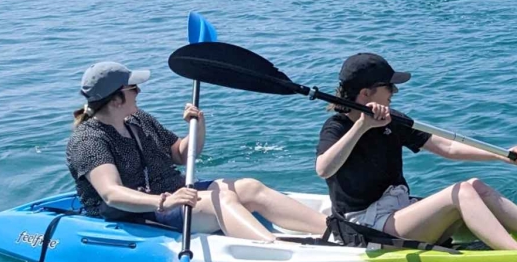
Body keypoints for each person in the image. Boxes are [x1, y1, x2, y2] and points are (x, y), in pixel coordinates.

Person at [315, 53, 517, 250]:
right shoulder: (337, 127)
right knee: (461, 192)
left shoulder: (393, 119)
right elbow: (324, 169)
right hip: (366, 227)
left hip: (398, 210)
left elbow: (448, 147)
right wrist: (362, 126)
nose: (394, 92)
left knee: (475, 186)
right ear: (365, 94)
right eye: (388, 87)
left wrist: (503, 155)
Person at [67, 61, 329, 241]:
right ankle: (276, 250)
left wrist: (197, 127)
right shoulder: (89, 140)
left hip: (173, 192)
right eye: (132, 88)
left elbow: (181, 154)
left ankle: (334, 231)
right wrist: (164, 201)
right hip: (140, 211)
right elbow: (112, 194)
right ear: (115, 100)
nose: (139, 92)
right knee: (223, 201)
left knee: (249, 187)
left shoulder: (138, 120)